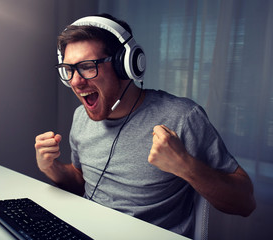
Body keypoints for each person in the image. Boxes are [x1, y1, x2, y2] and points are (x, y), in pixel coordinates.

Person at [34, 13, 256, 238]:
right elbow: (83, 183)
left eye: (87, 66)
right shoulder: (81, 116)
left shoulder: (182, 117)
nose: (75, 81)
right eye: (69, 69)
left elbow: (245, 203)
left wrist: (185, 166)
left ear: (126, 65)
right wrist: (51, 167)